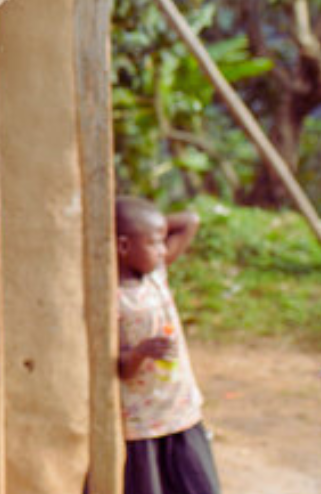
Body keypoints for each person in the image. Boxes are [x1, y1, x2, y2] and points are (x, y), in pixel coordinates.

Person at [117, 195, 220, 494]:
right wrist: (140, 352)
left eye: (164, 241)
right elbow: (120, 368)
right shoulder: (112, 298)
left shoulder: (155, 276)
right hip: (141, 423)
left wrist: (149, 226)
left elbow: (190, 219)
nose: (163, 251)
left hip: (181, 409)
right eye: (154, 243)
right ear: (123, 246)